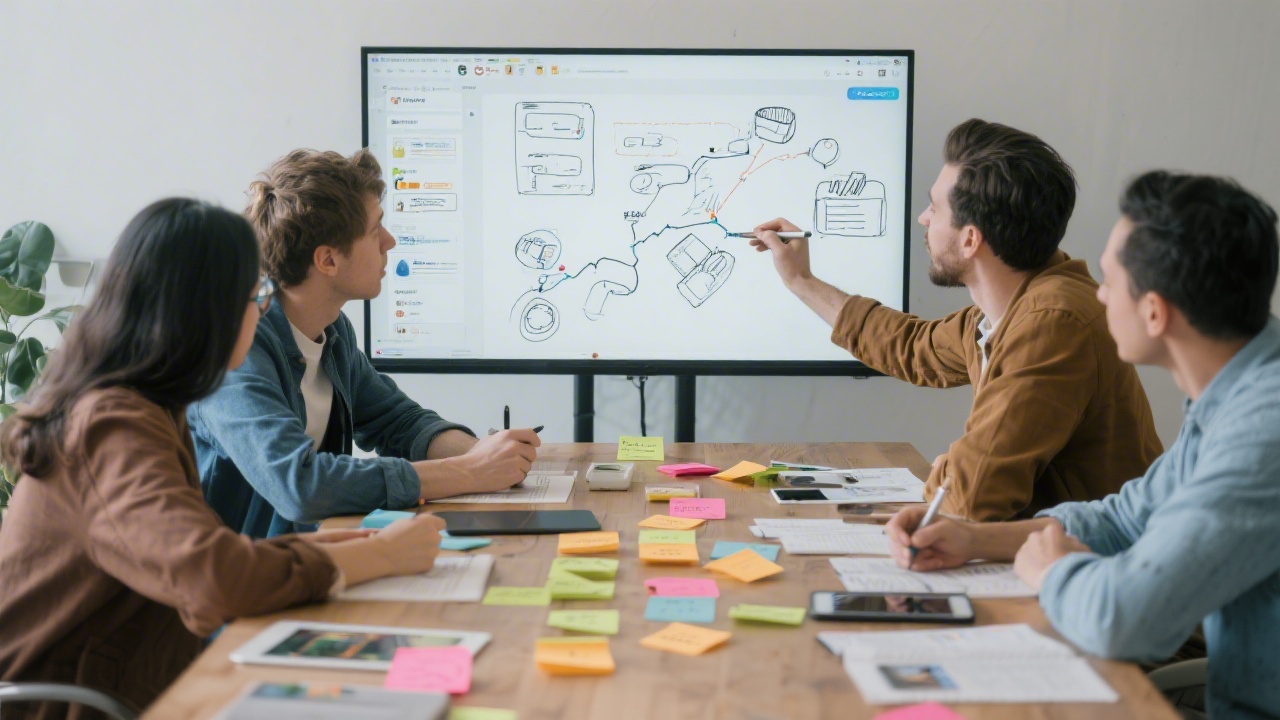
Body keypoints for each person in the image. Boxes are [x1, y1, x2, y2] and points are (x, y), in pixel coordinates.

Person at [0, 199, 447, 718]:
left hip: (141, 683)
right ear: (205, 309)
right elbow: (212, 577)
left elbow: (194, 552)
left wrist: (345, 551)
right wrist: (379, 557)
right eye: (256, 294)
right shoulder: (110, 424)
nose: (261, 310)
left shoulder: (143, 405)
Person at [885, 171, 1280, 719]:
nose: (1097, 294)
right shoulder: (1238, 391)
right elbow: (1125, 520)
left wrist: (1052, 572)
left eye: (1111, 281)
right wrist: (974, 538)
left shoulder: (1262, 434)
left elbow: (1126, 620)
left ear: (1154, 312)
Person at [751, 119, 1161, 520]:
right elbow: (912, 347)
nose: (923, 219)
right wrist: (801, 280)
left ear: (970, 239)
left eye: (935, 207)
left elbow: (970, 495)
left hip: (1088, 570)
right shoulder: (1011, 309)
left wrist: (949, 467)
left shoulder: (1052, 322)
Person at [189, 149, 539, 538]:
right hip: (244, 582)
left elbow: (397, 421)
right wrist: (470, 471)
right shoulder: (237, 351)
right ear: (327, 261)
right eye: (375, 231)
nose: (390, 242)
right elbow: (300, 485)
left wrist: (483, 454)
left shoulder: (333, 331)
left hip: (310, 561)